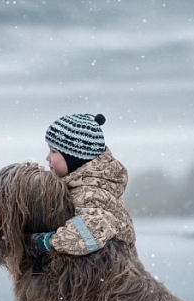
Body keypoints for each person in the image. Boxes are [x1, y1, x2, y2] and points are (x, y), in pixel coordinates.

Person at [27, 113, 137, 270]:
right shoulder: (86, 184)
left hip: (113, 275)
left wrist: (48, 241)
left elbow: (92, 231)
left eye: (53, 151)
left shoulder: (89, 192)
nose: (47, 158)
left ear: (74, 158)